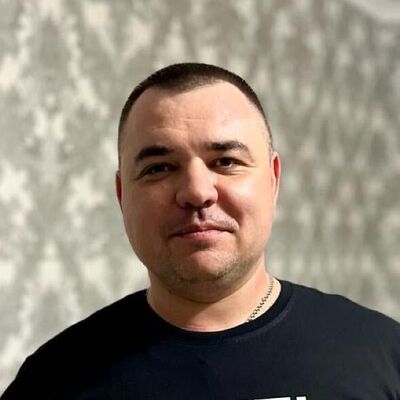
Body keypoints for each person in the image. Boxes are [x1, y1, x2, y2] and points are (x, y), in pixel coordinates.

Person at [2, 63, 399, 400]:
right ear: (122, 196)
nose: (196, 191)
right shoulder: (51, 382)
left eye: (225, 161)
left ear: (273, 180)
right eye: (159, 168)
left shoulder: (382, 355)